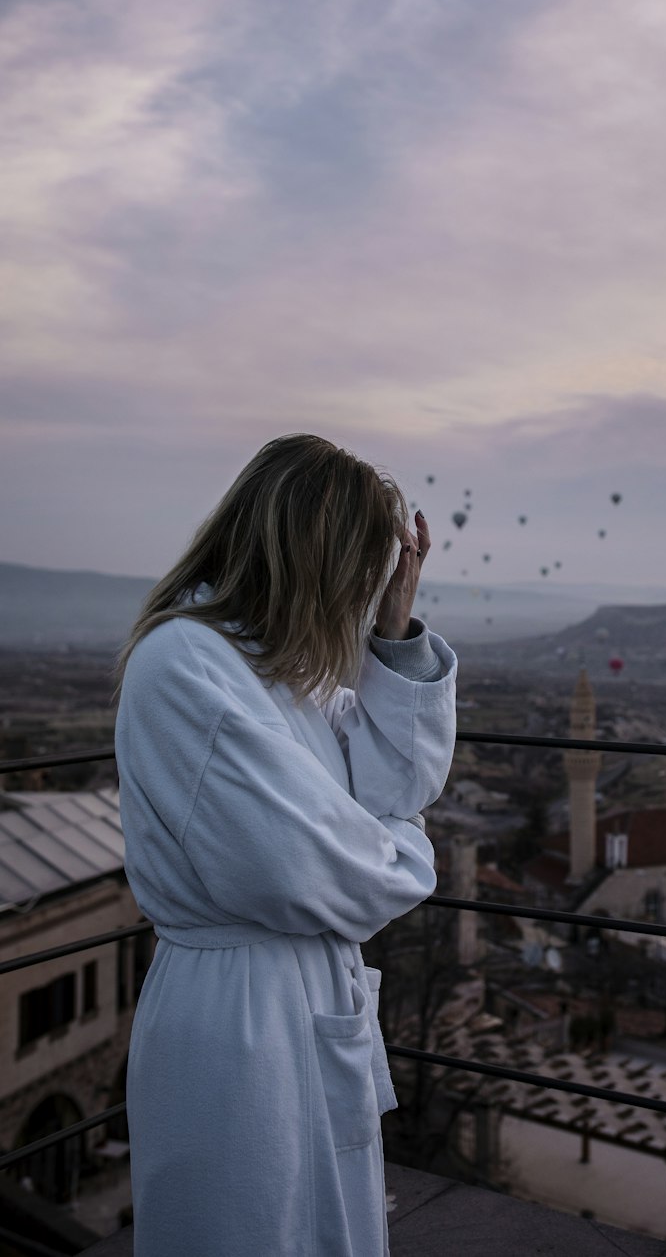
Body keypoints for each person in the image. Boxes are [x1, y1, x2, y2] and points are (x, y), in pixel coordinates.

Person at [111, 433, 457, 1256]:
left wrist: (396, 627)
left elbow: (394, 786)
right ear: (312, 555)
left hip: (293, 995)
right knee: (248, 1226)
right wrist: (408, 853)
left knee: (320, 1224)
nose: (359, 595)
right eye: (359, 574)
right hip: (240, 1020)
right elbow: (316, 870)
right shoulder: (187, 665)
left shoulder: (276, 670)